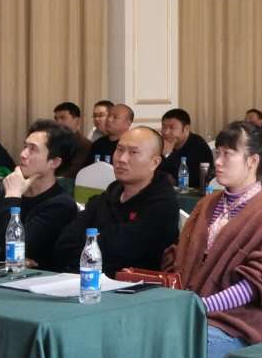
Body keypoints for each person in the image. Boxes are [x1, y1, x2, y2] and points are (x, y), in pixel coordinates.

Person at [164, 120, 262, 358]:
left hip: (236, 328)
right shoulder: (208, 203)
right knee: (139, 335)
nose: (218, 161)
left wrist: (202, 306)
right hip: (191, 315)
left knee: (166, 347)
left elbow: (258, 282)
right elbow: (179, 257)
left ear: (252, 161)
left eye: (228, 154)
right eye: (218, 153)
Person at [52, 126, 180, 275]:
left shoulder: (162, 204)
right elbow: (65, 243)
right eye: (119, 150)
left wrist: (90, 244)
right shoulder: (109, 195)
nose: (122, 159)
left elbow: (125, 253)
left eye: (133, 152)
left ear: (154, 162)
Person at [0, 120, 78, 264]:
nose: (23, 154)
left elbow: (14, 246)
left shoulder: (61, 204)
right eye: (25, 146)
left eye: (33, 149)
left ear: (54, 162)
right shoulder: (9, 191)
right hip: (3, 271)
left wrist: (13, 197)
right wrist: (4, 257)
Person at [160, 108, 214, 189]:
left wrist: (168, 155)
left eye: (172, 128)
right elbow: (156, 172)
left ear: (186, 129)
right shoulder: (161, 143)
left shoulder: (199, 146)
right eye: (164, 127)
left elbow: (194, 180)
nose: (166, 132)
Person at [51, 101, 94, 176]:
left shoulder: (84, 144)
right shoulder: (52, 141)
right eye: (56, 119)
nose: (58, 122)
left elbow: (73, 172)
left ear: (77, 120)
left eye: (62, 118)